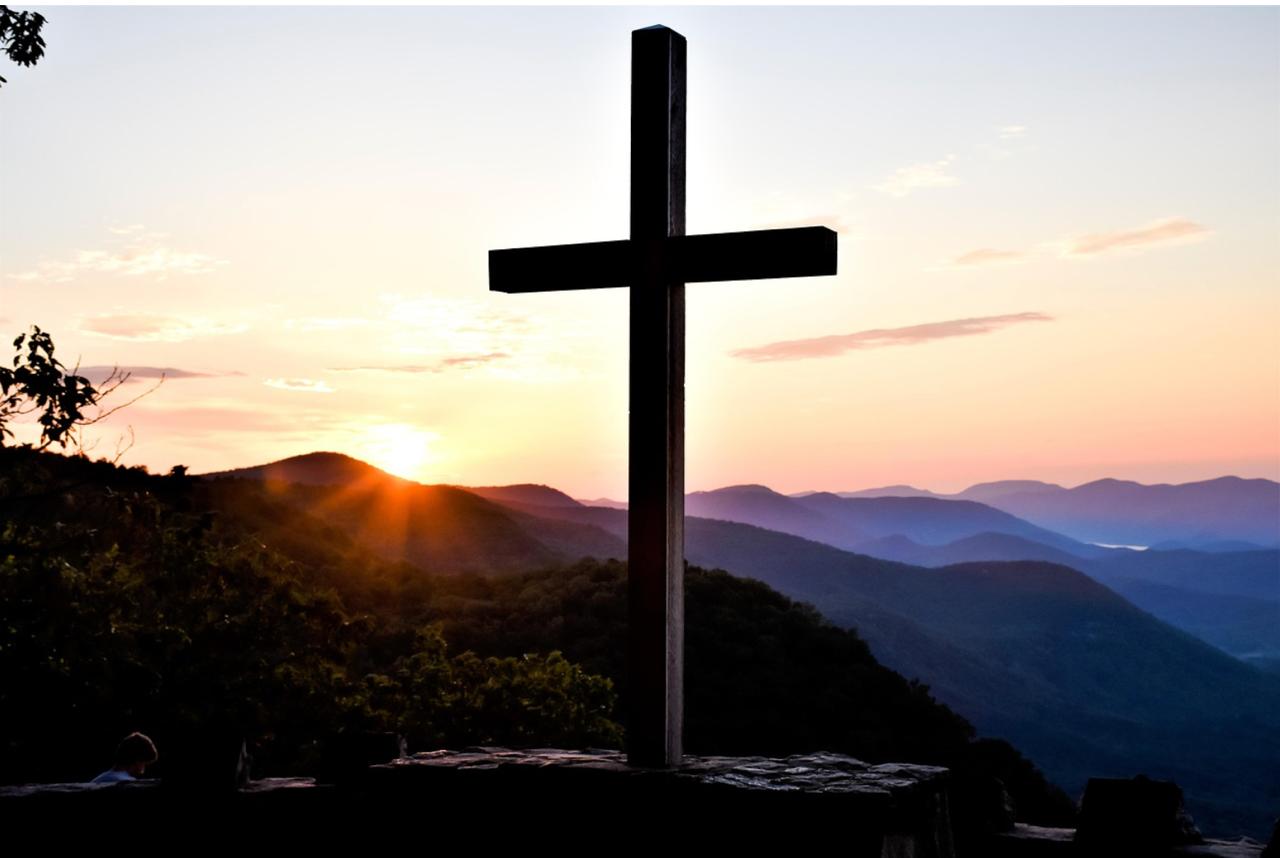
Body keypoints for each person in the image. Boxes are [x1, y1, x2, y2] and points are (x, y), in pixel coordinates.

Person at [90, 732, 158, 783]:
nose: (143, 770)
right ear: (138, 761)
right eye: (144, 763)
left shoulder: (96, 780)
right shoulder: (128, 784)